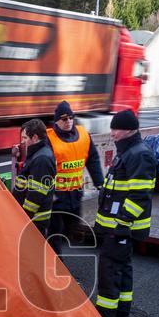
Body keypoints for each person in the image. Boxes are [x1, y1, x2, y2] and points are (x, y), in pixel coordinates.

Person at [92, 109, 156, 317]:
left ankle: (106, 313)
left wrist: (122, 222)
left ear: (128, 130)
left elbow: (140, 196)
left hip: (121, 226)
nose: (112, 133)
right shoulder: (129, 151)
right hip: (117, 225)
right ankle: (121, 309)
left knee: (109, 267)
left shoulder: (138, 154)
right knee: (122, 266)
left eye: (115, 129)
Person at [46, 100, 104, 254]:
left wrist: (99, 183)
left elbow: (93, 159)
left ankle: (65, 265)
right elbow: (42, 165)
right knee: (54, 235)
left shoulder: (84, 135)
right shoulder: (49, 138)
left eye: (71, 118)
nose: (68, 122)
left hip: (75, 195)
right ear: (56, 121)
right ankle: (56, 266)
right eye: (64, 119)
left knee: (74, 233)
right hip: (56, 198)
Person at [11, 119, 56, 235]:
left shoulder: (42, 159)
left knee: (32, 252)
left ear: (35, 138)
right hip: (32, 220)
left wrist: (24, 218)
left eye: (25, 138)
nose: (22, 141)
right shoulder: (38, 153)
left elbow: (35, 196)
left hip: (34, 221)